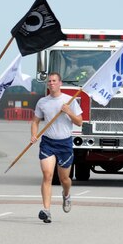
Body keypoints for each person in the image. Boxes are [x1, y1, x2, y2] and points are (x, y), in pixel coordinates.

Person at [30, 72, 83, 223]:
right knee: (47, 175)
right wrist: (34, 135)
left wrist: (68, 112)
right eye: (49, 81)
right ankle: (46, 210)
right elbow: (35, 121)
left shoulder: (69, 100)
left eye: (54, 81)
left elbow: (79, 122)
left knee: (64, 178)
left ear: (60, 83)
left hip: (64, 143)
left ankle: (66, 194)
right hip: (48, 143)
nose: (51, 83)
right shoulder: (42, 102)